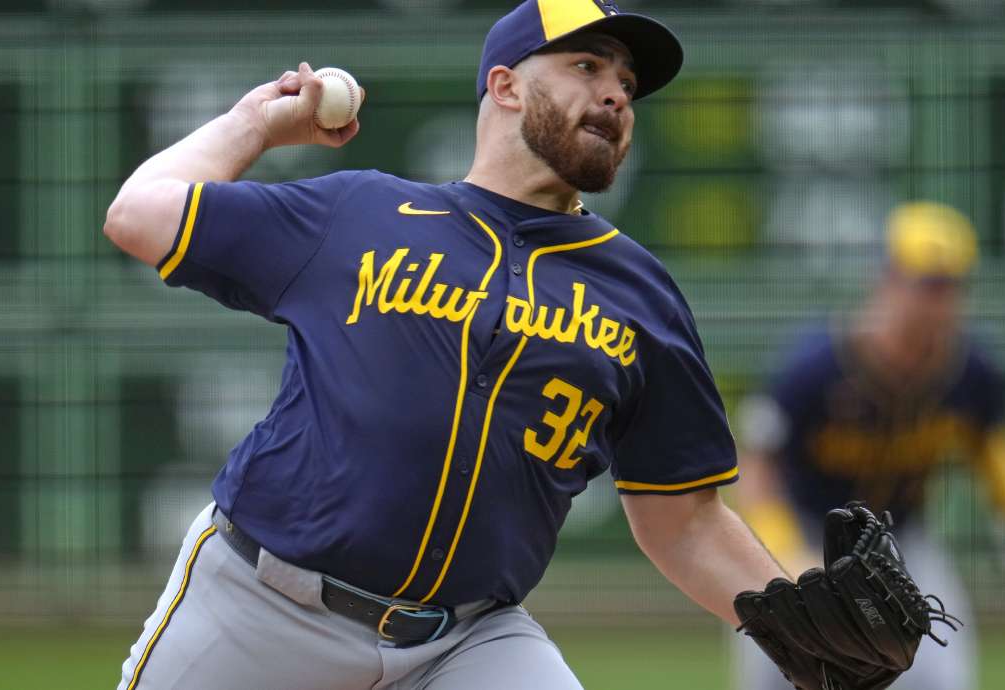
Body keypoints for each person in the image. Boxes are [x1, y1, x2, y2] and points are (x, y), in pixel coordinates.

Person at [104, 2, 789, 688]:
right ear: (505, 86)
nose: (614, 94)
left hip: (465, 642)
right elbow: (140, 212)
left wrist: (794, 622)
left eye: (627, 85)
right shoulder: (359, 214)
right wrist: (254, 123)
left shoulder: (640, 293)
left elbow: (687, 521)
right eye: (586, 65)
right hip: (260, 609)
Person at [734, 200, 1005, 690]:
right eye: (925, 283)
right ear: (885, 279)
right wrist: (785, 558)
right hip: (803, 536)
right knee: (779, 669)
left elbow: (995, 453)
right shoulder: (815, 367)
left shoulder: (969, 371)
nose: (937, 300)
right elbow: (756, 471)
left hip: (900, 546)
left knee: (942, 672)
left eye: (950, 286)